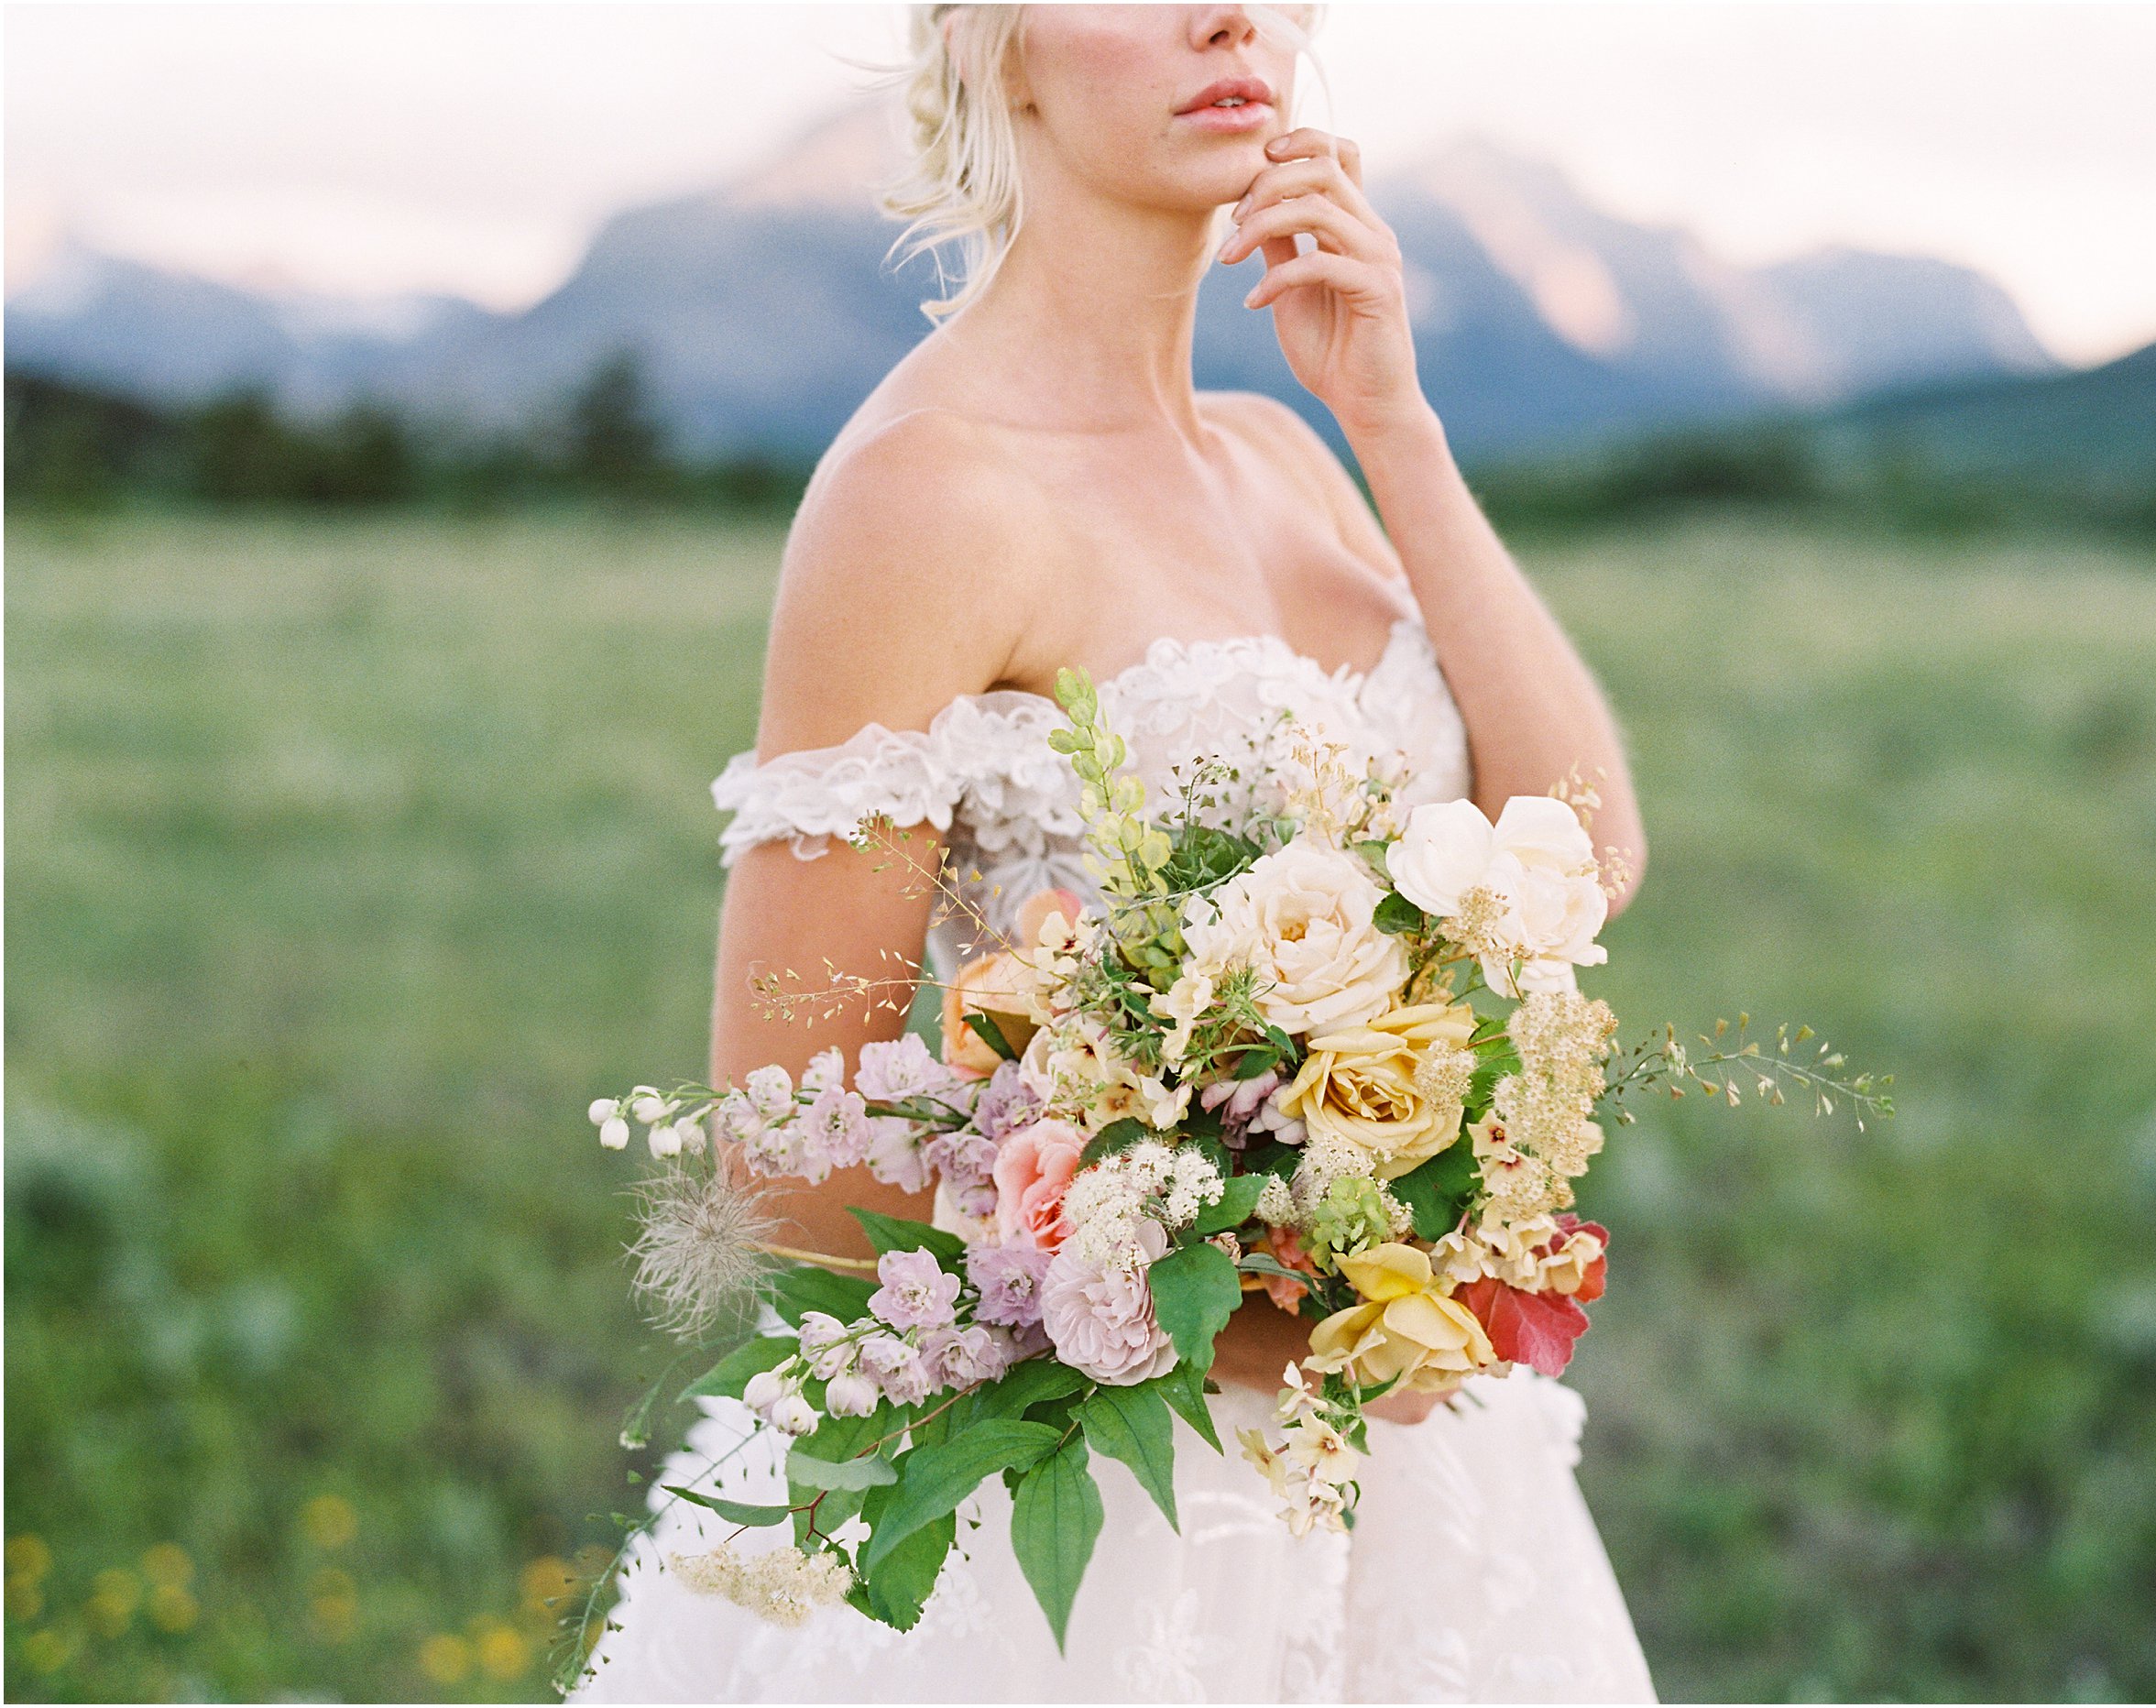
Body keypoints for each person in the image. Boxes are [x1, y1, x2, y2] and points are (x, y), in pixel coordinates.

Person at [575, 5, 1656, 1700]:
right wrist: (1293, 1325)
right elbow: (784, 1149)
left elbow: (1581, 858)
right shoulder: (926, 495)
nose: (1230, 14)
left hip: (1413, 1487)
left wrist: (1396, 418)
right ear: (996, 46)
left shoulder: (1289, 452)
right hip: (1090, 1521)